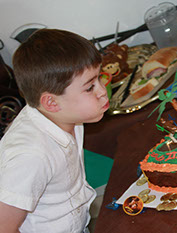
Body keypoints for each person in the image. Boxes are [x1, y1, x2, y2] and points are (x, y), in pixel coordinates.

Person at [0, 29, 109, 232]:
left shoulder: (65, 113)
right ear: (51, 102)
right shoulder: (31, 156)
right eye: (89, 87)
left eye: (99, 79)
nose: (102, 91)